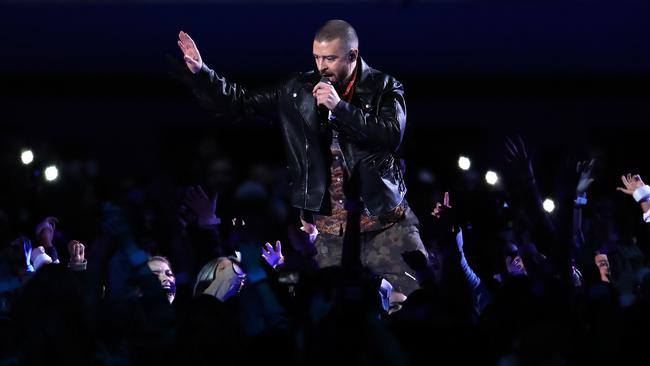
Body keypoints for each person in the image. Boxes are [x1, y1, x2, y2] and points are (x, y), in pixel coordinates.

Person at [177, 19, 427, 295]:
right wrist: (203, 73)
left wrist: (340, 107)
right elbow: (242, 102)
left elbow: (391, 135)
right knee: (330, 312)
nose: (322, 66)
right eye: (317, 58)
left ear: (352, 55)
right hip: (329, 231)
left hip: (387, 222)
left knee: (411, 301)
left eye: (330, 58)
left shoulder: (384, 86)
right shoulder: (297, 89)